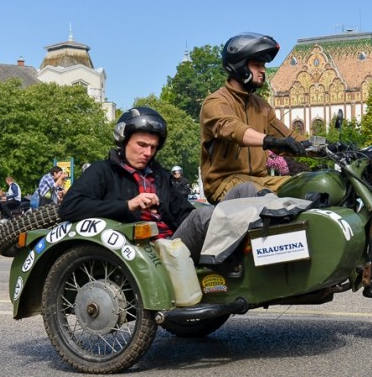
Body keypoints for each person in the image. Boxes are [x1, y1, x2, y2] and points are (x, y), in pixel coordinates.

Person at [59, 106, 254, 263]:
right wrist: (128, 205)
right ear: (123, 141)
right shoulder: (102, 171)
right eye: (142, 145)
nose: (148, 152)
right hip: (148, 251)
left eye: (153, 147)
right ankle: (237, 257)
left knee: (246, 190)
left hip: (176, 240)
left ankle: (265, 238)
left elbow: (184, 212)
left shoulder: (160, 175)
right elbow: (69, 207)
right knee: (202, 215)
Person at [200, 32, 307, 204]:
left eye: (263, 65)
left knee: (313, 184)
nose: (263, 70)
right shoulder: (215, 102)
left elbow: (290, 138)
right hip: (225, 182)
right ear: (240, 66)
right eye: (257, 65)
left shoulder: (261, 106)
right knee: (261, 196)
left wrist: (328, 147)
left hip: (261, 180)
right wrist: (271, 141)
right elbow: (233, 129)